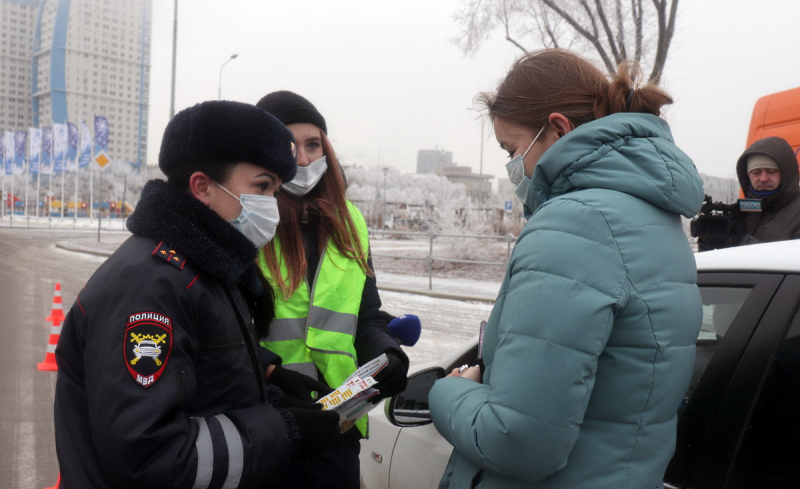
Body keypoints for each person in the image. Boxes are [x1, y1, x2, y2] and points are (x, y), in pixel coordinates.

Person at [428, 49, 705, 488]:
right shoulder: (655, 218)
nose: (512, 167)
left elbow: (517, 441)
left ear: (557, 128)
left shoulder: (574, 224)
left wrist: (448, 390)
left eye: (512, 149)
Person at [54, 101, 341, 488]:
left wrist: (270, 390)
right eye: (261, 187)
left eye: (275, 191)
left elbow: (202, 387)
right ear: (202, 187)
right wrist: (281, 431)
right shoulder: (150, 284)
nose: (272, 206)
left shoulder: (206, 268)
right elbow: (149, 454)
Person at [253, 90, 410, 489]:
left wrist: (386, 354)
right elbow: (220, 329)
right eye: (290, 148)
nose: (305, 160)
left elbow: (365, 317)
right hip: (267, 425)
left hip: (336, 429)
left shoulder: (351, 222)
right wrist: (271, 373)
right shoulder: (250, 223)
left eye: (313, 145)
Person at [734, 136, 800, 245]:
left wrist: (742, 243)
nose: (763, 179)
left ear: (786, 174)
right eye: (756, 172)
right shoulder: (742, 212)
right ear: (747, 175)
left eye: (771, 171)